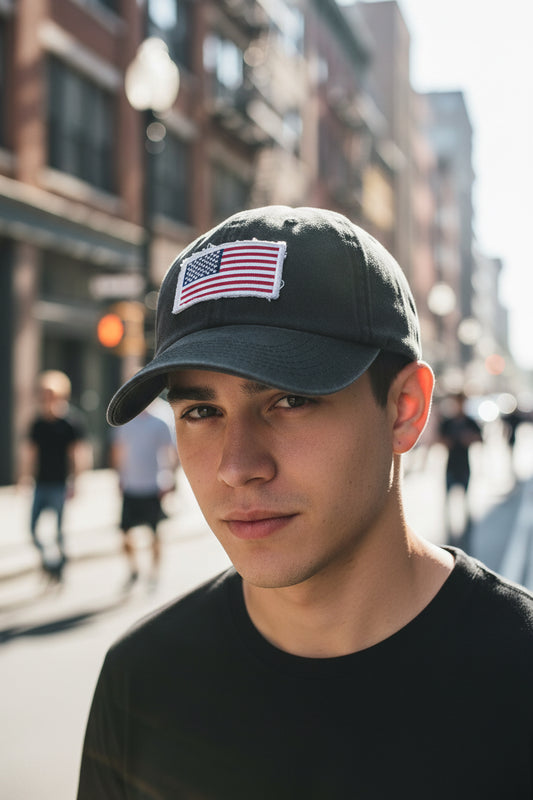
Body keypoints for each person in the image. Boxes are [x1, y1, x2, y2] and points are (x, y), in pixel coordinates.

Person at [77, 207, 533, 799]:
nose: (237, 466)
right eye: (201, 411)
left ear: (405, 409)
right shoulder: (141, 680)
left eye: (290, 400)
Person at [19, 370, 90, 580]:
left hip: (60, 484)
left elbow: (79, 454)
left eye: (50, 393)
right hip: (40, 483)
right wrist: (24, 478)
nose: (46, 398)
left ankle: (60, 565)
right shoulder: (37, 423)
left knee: (59, 531)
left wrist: (76, 482)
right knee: (33, 530)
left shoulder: (71, 422)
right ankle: (50, 562)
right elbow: (29, 453)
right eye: (43, 394)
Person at [110, 401, 178, 589]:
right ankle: (134, 570)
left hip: (153, 487)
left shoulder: (160, 422)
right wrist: (119, 477)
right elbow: (118, 449)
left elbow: (170, 451)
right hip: (131, 486)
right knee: (125, 535)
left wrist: (169, 478)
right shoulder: (125, 422)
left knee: (155, 534)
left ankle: (154, 574)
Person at [438, 391, 483, 541]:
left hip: (464, 465)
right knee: (448, 497)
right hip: (450, 464)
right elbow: (439, 439)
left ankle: (466, 525)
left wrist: (469, 438)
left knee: (465, 497)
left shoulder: (470, 421)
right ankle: (448, 527)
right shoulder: (448, 422)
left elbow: (480, 438)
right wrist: (447, 442)